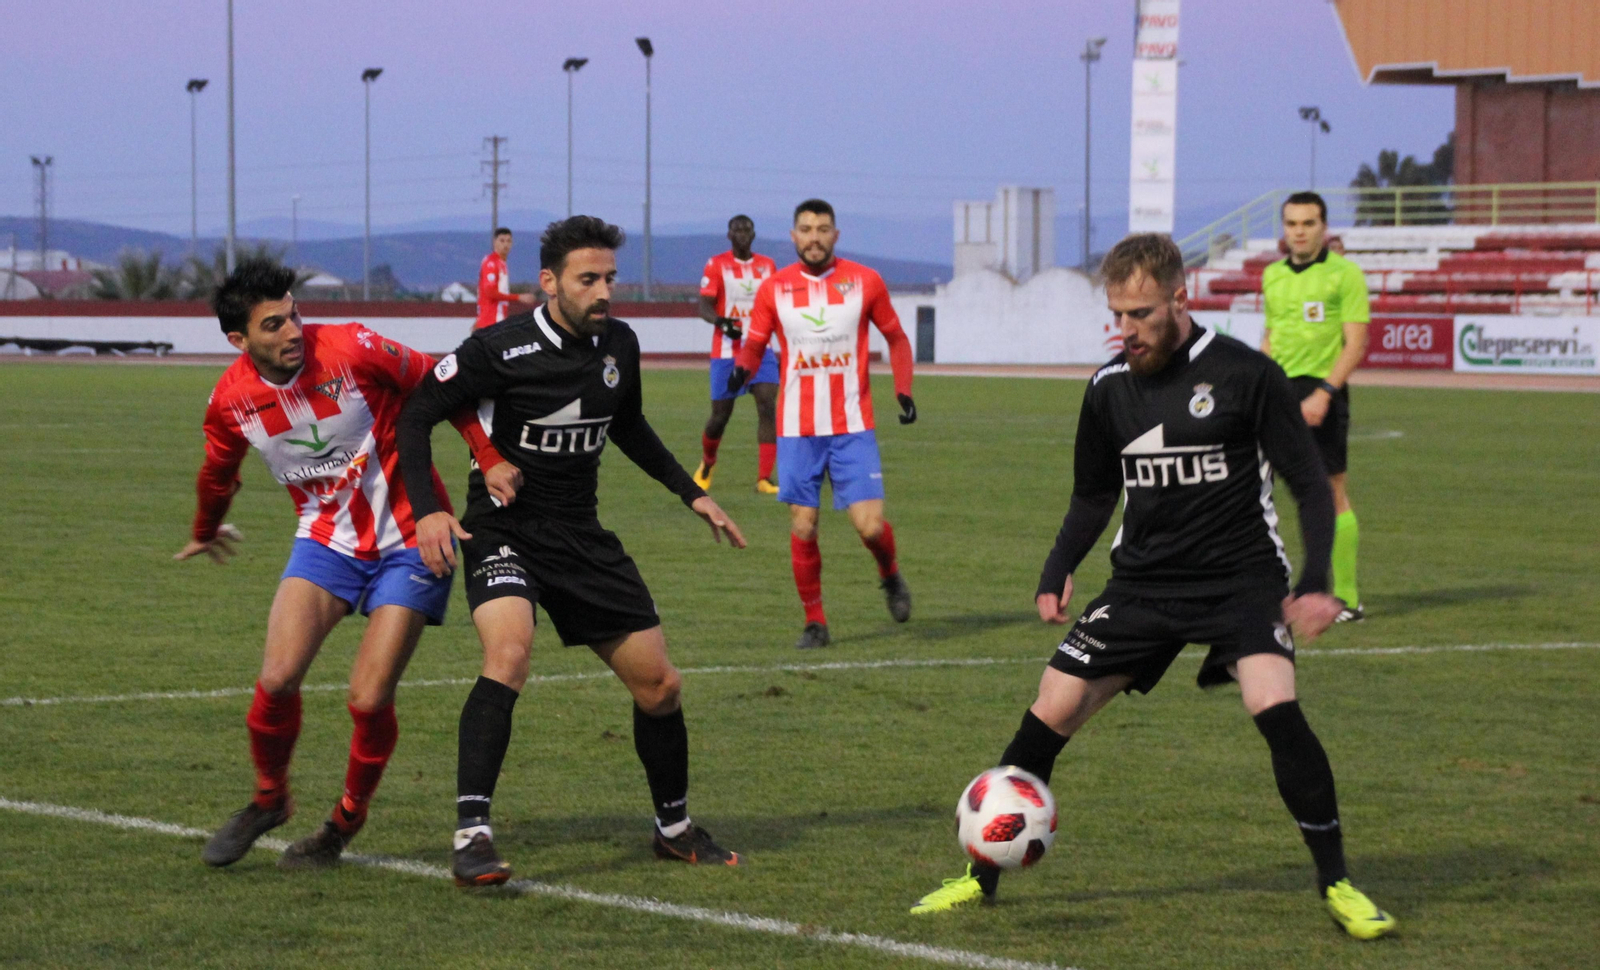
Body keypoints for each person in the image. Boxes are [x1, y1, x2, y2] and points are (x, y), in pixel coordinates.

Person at [909, 234, 1397, 941]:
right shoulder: (1109, 388)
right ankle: (978, 874)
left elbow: (1310, 487)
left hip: (1241, 579)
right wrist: (1057, 569)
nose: (1127, 329)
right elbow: (1092, 494)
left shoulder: (1246, 375)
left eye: (1141, 313)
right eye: (1118, 313)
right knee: (1054, 704)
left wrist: (1317, 582)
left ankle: (1338, 883)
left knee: (1273, 703)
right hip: (1143, 582)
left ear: (1180, 298)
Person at [396, 215, 748, 887]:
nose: (603, 292)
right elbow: (417, 413)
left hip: (581, 537)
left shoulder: (620, 343)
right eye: (589, 279)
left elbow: (629, 426)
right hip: (504, 529)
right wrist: (430, 508)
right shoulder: (497, 347)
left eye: (610, 278)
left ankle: (673, 830)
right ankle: (472, 836)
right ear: (550, 282)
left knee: (661, 685)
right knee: (509, 653)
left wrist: (691, 492)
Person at [179, 258, 512, 869]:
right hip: (325, 541)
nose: (292, 331)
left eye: (294, 315)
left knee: (366, 697)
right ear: (238, 340)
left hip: (414, 539)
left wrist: (486, 455)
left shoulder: (352, 345)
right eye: (273, 324)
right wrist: (204, 530)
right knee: (277, 679)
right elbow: (217, 473)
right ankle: (269, 799)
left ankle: (342, 823)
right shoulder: (232, 401)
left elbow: (441, 384)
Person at [731, 199, 917, 650]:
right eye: (806, 229)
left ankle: (889, 575)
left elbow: (895, 337)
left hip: (853, 425)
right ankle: (815, 622)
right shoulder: (774, 288)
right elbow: (755, 344)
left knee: (870, 527)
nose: (814, 237)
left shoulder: (865, 282)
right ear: (793, 237)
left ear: (836, 235)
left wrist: (904, 389)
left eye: (823, 229)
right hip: (796, 428)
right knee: (803, 524)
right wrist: (741, 370)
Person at [1260, 192, 1370, 621]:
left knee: (1330, 492)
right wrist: (1257, 381)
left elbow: (1356, 342)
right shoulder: (1272, 276)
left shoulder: (1346, 275)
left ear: (1324, 227)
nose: (1299, 232)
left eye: (1308, 223)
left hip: (1320, 393)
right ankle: (1271, 588)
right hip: (1278, 392)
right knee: (1258, 492)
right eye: (1291, 224)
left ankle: (1343, 596)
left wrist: (1324, 393)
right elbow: (1272, 337)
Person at [692, 215, 780, 493]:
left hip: (761, 348)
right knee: (720, 416)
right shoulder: (716, 264)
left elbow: (777, 304)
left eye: (747, 229)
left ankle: (764, 479)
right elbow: (704, 305)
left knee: (767, 406)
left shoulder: (768, 266)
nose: (742, 233)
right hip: (726, 351)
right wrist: (721, 322)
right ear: (728, 235)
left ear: (754, 234)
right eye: (737, 229)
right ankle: (707, 463)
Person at [475, 227, 536, 330]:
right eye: (502, 241)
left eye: (508, 241)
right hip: (491, 320)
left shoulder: (501, 263)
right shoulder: (491, 263)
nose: (506, 245)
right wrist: (518, 297)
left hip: (496, 319)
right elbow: (490, 291)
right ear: (495, 242)